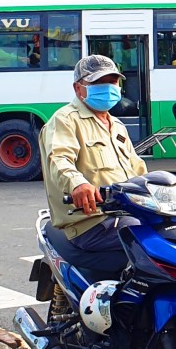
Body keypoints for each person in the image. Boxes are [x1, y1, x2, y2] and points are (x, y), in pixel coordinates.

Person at [39, 55, 147, 257]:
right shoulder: (65, 120)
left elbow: (139, 170)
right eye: (97, 82)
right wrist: (78, 184)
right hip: (90, 222)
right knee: (147, 242)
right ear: (78, 88)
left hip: (125, 214)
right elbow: (59, 159)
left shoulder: (117, 126)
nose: (107, 87)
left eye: (112, 81)